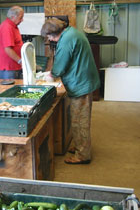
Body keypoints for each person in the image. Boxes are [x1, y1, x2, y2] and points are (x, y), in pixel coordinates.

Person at [41, 18, 100, 165]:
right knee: (79, 117)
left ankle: (83, 155)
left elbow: (60, 65)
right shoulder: (71, 32)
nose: (48, 39)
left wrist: (51, 75)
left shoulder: (66, 40)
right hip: (83, 79)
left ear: (53, 33)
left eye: (48, 36)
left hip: (81, 83)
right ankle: (81, 146)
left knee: (79, 120)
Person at [0, 6, 24, 79]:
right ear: (12, 17)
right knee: (9, 89)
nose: (22, 20)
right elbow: (8, 49)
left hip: (14, 66)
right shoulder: (7, 27)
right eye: (20, 17)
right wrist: (21, 61)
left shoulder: (13, 27)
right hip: (9, 68)